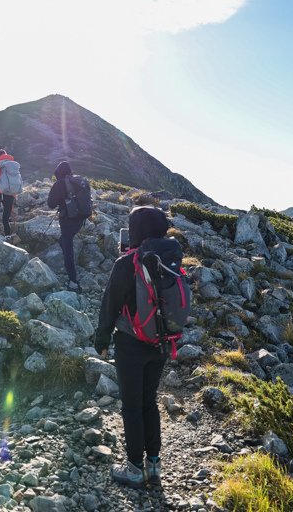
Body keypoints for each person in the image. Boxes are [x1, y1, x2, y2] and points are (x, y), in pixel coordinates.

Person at [94, 206, 178, 489]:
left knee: (131, 407)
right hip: (161, 344)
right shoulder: (169, 260)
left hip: (131, 344)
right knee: (148, 402)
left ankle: (133, 469)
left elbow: (109, 306)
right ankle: (154, 466)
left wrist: (102, 340)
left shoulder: (126, 263)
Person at [47, 160, 84, 290]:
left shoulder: (59, 183)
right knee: (64, 240)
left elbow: (51, 204)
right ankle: (68, 264)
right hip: (82, 218)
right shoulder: (79, 181)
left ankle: (73, 280)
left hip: (68, 219)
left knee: (68, 248)